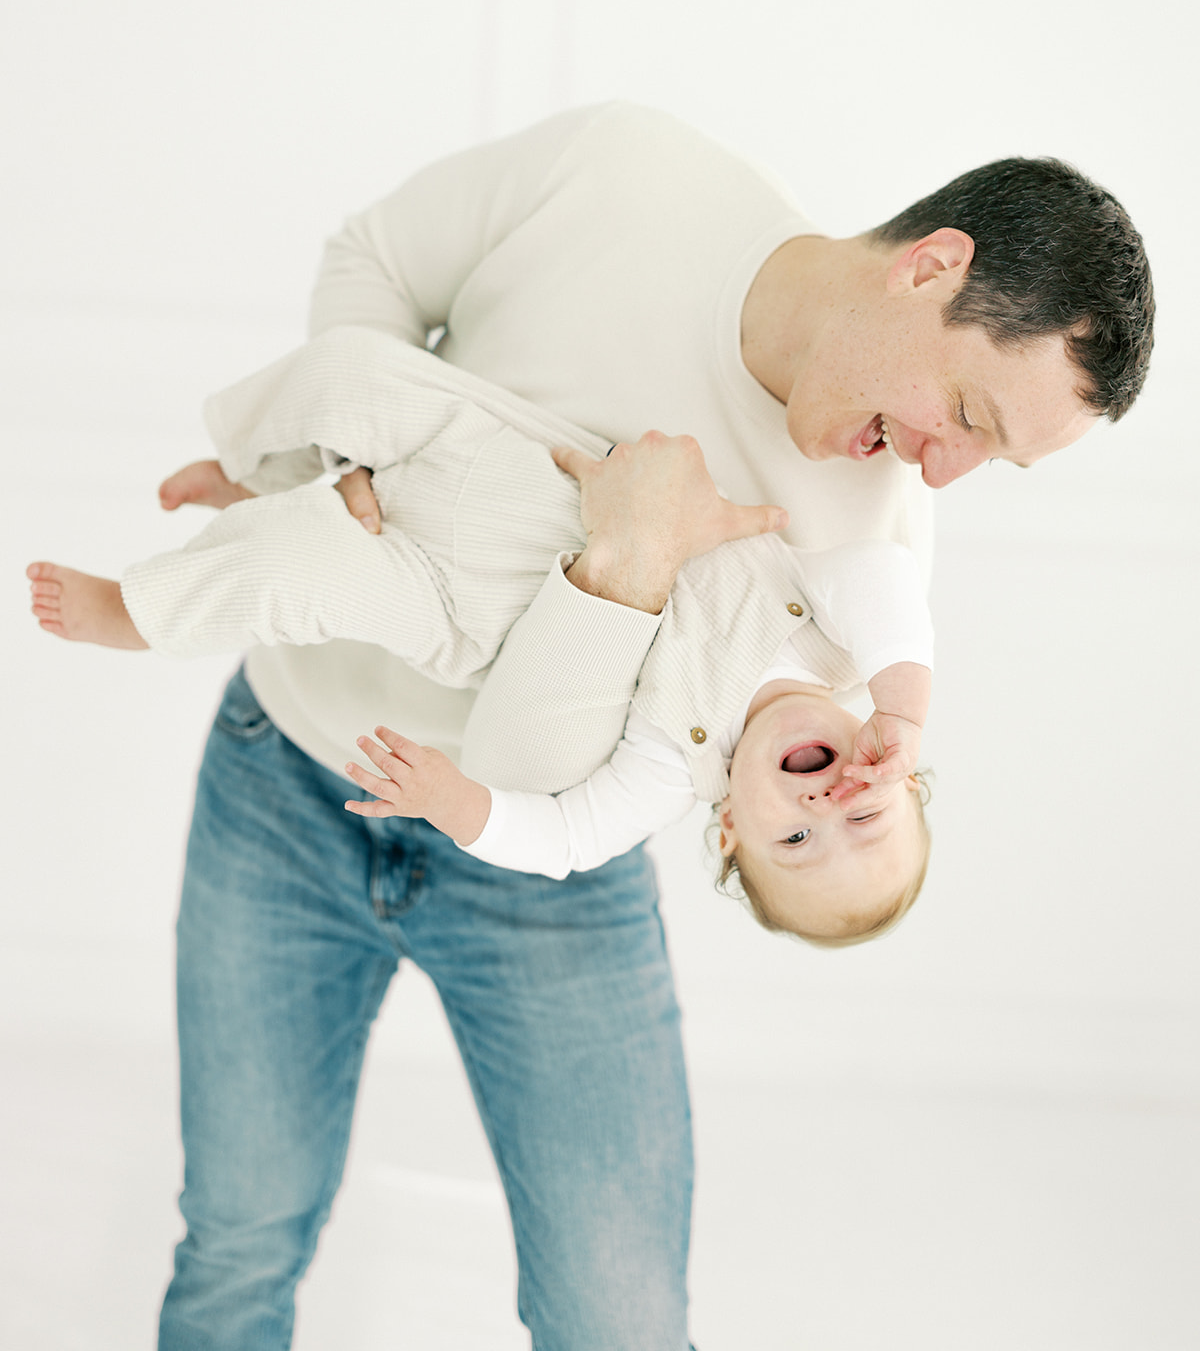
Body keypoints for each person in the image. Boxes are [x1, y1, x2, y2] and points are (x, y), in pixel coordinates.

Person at [37, 102, 1156, 1350]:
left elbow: (538, 775)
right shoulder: (629, 175)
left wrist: (630, 558)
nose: (944, 471)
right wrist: (342, 470)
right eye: (970, 415)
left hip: (547, 876)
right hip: (287, 774)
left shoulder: (875, 532)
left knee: (617, 1320)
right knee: (238, 1234)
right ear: (931, 268)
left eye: (989, 462)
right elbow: (378, 262)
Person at [29, 326, 935, 945]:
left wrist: (454, 801)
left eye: (798, 846)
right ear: (891, 761)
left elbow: (565, 840)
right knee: (346, 372)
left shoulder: (674, 770)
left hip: (451, 597)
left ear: (732, 828)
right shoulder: (836, 646)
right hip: (510, 457)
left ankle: (137, 612)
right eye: (865, 812)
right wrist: (903, 704)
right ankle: (253, 466)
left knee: (290, 575)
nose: (825, 811)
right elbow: (881, 573)